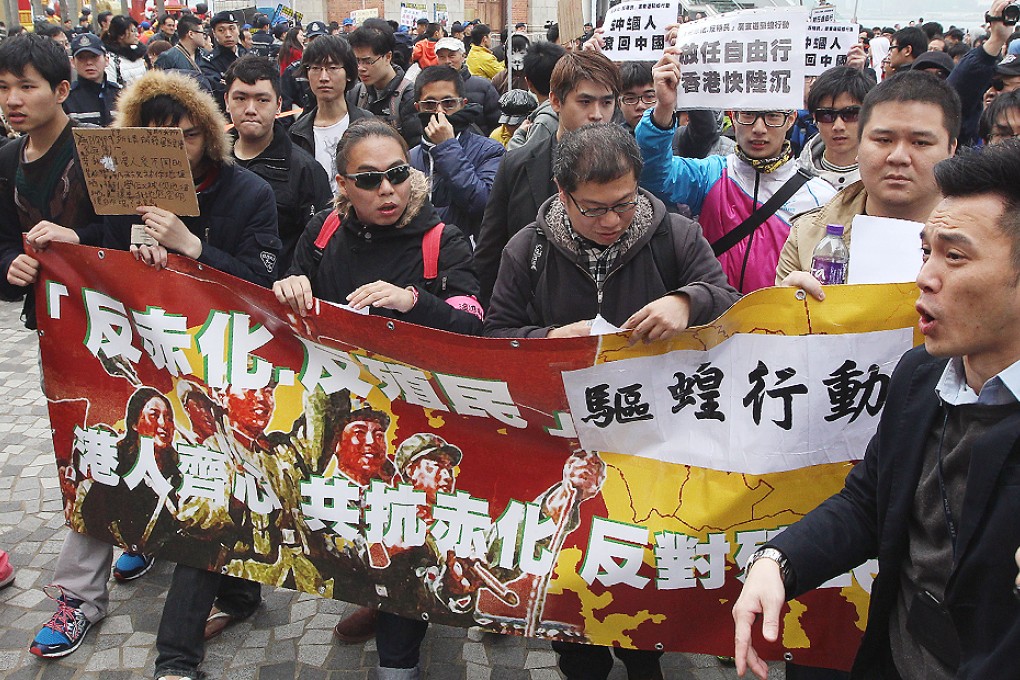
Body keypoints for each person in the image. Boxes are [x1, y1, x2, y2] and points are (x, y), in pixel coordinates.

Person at [733, 139, 1020, 680]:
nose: (926, 277)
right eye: (926, 251)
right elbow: (869, 501)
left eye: (954, 256)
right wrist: (778, 562)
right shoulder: (920, 376)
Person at [485, 122, 739, 678]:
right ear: (561, 193)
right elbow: (495, 338)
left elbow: (729, 299)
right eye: (593, 209)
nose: (610, 222)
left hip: (656, 444)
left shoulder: (676, 236)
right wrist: (547, 341)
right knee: (576, 589)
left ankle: (644, 657)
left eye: (623, 206)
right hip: (563, 452)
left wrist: (686, 300)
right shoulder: (526, 249)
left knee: (642, 586)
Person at [273, 118, 484, 661]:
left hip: (418, 416)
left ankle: (399, 658)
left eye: (397, 174)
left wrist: (413, 302)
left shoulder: (443, 239)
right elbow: (291, 295)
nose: (387, 189)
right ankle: (376, 594)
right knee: (356, 521)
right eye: (368, 179)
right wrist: (289, 284)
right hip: (346, 412)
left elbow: (473, 322)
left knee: (408, 525)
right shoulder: (323, 233)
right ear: (342, 184)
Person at [94, 69, 281, 680]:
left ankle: (175, 659)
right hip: (154, 371)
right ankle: (240, 594)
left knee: (213, 498)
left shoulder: (248, 191)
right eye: (155, 139)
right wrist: (118, 246)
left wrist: (192, 248)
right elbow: (88, 258)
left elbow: (265, 283)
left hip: (231, 369)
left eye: (186, 139)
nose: (172, 153)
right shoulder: (121, 191)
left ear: (208, 135)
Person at [635, 50, 835, 294]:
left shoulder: (821, 197)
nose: (759, 129)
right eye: (748, 115)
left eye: (772, 116)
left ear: (791, 119)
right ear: (733, 116)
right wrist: (664, 108)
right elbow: (654, 176)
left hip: (776, 324)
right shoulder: (711, 174)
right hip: (710, 318)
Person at [777, 71, 960, 293]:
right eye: (883, 140)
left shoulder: (989, 241)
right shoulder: (807, 236)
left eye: (920, 142)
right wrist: (786, 310)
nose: (898, 157)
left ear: (951, 149)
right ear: (860, 145)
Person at [475, 50, 620, 306]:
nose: (597, 114)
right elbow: (490, 253)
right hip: (531, 318)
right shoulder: (517, 164)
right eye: (585, 102)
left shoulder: (626, 166)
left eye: (607, 103)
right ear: (555, 101)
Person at [225, 55, 332, 272]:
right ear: (227, 101)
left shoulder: (304, 170)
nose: (251, 109)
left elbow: (322, 241)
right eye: (240, 98)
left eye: (262, 100)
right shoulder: (212, 160)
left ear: (278, 105)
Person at [408, 65, 504, 243]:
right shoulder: (409, 158)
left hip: (468, 256)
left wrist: (447, 147)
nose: (439, 112)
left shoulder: (490, 151)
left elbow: (483, 204)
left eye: (448, 103)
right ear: (417, 107)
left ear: (463, 104)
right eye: (430, 105)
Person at [288, 34, 371, 192]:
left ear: (348, 74)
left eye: (332, 68)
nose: (323, 77)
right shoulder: (298, 132)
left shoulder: (368, 123)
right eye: (316, 68)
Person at [797, 66, 876, 191]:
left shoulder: (884, 181)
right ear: (814, 118)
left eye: (851, 114)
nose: (838, 126)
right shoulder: (795, 180)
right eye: (827, 115)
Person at [346, 20, 414, 142]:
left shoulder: (409, 96)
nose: (361, 68)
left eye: (368, 61)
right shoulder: (355, 93)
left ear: (388, 57)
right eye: (357, 61)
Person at [433, 36, 501, 135]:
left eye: (452, 56)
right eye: (442, 57)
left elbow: (496, 123)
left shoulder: (483, 86)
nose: (447, 61)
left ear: (463, 56)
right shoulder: (431, 87)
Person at [506, 40, 566, 150]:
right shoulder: (573, 108)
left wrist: (518, 136)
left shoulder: (544, 122)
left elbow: (523, 162)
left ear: (529, 83)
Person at [63, 32, 121, 126]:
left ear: (106, 60)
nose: (89, 62)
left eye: (94, 57)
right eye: (81, 58)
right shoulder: (66, 99)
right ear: (73, 62)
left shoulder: (120, 95)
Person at [200, 10, 248, 109]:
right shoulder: (209, 62)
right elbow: (218, 92)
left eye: (232, 29)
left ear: (238, 30)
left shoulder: (248, 55)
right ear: (214, 33)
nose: (228, 34)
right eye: (221, 30)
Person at [280, 20, 327, 115]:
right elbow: (286, 106)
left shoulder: (338, 68)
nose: (317, 44)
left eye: (320, 38)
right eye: (313, 39)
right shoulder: (293, 70)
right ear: (308, 42)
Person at [153, 15, 208, 80]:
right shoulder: (167, 57)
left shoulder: (205, 55)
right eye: (202, 33)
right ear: (191, 34)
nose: (204, 36)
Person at [102, 15, 148, 87]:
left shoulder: (139, 55)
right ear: (121, 35)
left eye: (136, 30)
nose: (137, 34)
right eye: (133, 31)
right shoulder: (111, 59)